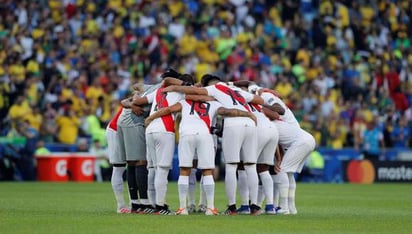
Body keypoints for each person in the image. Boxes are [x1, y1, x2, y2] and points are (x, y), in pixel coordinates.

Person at [145, 85, 256, 215]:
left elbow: (168, 109)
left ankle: (183, 208)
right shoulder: (213, 103)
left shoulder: (184, 102)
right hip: (205, 135)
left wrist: (151, 117)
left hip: (186, 135)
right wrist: (247, 113)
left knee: (184, 170)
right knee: (207, 171)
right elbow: (227, 111)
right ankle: (210, 208)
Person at [249, 84, 316, 215]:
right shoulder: (277, 121)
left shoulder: (268, 124)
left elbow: (275, 143)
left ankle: (284, 207)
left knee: (282, 171)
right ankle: (291, 207)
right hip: (307, 138)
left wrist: (279, 160)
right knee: (289, 174)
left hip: (300, 142)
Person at [131, 69, 189, 215]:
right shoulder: (181, 91)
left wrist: (135, 95)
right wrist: (183, 83)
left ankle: (151, 203)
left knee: (152, 168)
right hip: (165, 129)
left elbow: (137, 101)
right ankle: (160, 206)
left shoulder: (157, 92)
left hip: (150, 129)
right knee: (162, 170)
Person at [117, 84, 160, 214]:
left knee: (132, 162)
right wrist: (134, 103)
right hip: (133, 121)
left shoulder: (154, 88)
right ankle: (144, 204)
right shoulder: (158, 89)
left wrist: (133, 102)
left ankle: (136, 204)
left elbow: (127, 99)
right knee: (140, 161)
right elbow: (131, 96)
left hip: (129, 120)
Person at [105, 105, 130, 213]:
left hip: (129, 131)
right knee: (118, 167)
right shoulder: (141, 97)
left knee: (134, 166)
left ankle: (134, 203)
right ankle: (121, 205)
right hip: (116, 130)